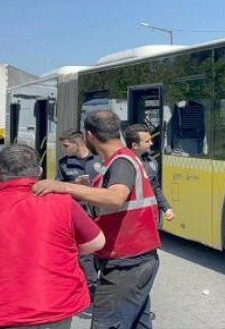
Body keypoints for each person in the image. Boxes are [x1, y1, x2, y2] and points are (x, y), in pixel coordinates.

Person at [33, 110, 161, 329]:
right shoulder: (121, 160)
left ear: (90, 136)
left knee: (107, 323)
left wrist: (63, 186)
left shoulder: (120, 162)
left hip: (126, 262)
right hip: (138, 259)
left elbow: (115, 197)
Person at [0, 144, 105, 329]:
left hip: (4, 311)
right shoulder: (62, 202)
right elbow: (97, 242)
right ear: (39, 172)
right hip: (55, 306)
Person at [56, 129, 103, 300]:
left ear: (79, 143)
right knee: (84, 252)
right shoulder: (64, 164)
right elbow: (58, 188)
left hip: (101, 212)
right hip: (79, 213)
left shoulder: (100, 160)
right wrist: (73, 184)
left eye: (66, 146)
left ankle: (100, 281)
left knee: (101, 248)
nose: (64, 149)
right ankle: (92, 286)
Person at [124, 124, 175, 226]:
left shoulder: (151, 162)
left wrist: (166, 208)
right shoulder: (122, 163)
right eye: (147, 141)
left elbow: (155, 187)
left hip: (149, 216)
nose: (151, 143)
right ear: (135, 145)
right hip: (129, 219)